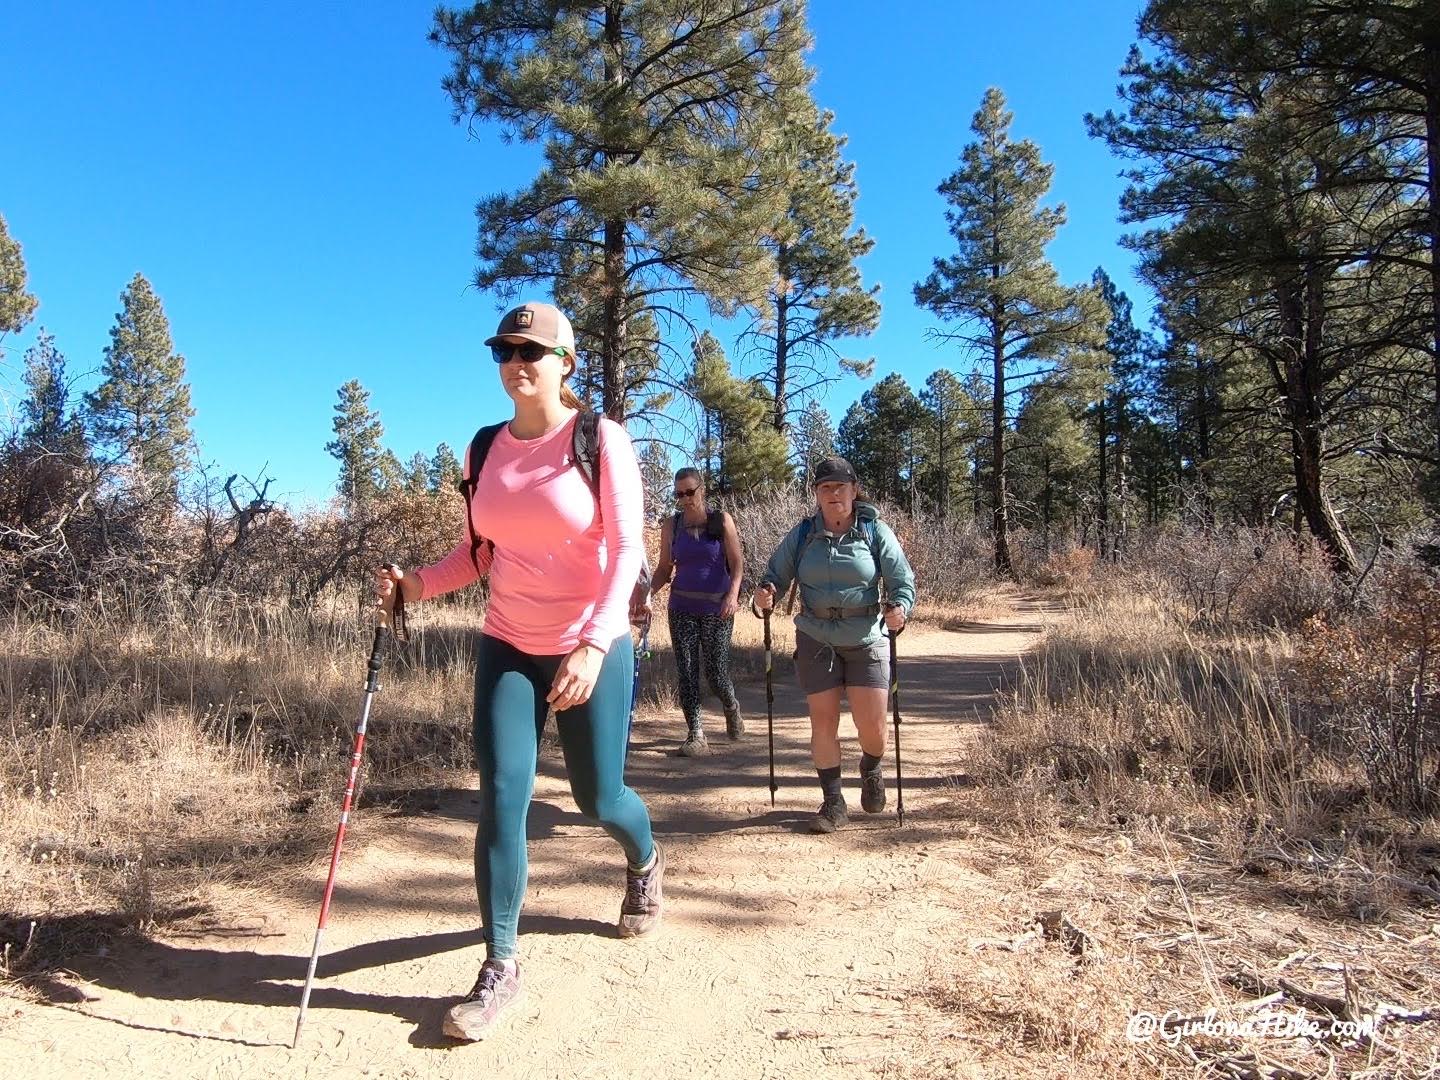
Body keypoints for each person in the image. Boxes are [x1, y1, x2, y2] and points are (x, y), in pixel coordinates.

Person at [374, 301, 663, 1042]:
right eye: (505, 348)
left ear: (567, 362)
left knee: (600, 799)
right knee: (502, 797)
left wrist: (596, 645)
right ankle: (500, 964)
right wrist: (414, 587)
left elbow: (627, 552)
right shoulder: (483, 449)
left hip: (589, 642)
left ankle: (645, 857)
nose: (516, 361)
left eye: (532, 350)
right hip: (508, 641)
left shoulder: (602, 441)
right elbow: (478, 554)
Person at [751, 457, 916, 834]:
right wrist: (765, 595)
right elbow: (773, 575)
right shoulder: (803, 534)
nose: (833, 494)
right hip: (816, 636)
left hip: (866, 637)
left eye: (840, 487)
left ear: (854, 491)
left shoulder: (874, 532)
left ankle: (871, 768)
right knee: (823, 721)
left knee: (871, 727)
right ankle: (833, 801)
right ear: (816, 495)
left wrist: (900, 608)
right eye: (825, 488)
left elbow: (902, 581)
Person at [643, 468, 746, 756]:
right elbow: (665, 569)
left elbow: (737, 564)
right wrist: (647, 593)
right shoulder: (671, 526)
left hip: (717, 608)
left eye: (690, 491)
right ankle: (695, 734)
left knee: (716, 673)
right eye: (679, 494)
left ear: (702, 488)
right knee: (687, 671)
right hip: (682, 608)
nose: (686, 499)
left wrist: (733, 595)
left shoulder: (721, 521)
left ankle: (731, 705)